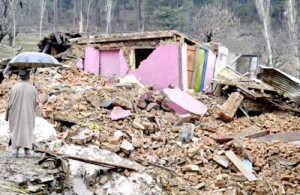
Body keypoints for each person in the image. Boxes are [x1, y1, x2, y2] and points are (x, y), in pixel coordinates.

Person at [5, 69, 38, 158]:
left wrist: (7, 115)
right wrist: (34, 90)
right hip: (28, 113)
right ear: (29, 77)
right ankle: (27, 151)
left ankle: (15, 150)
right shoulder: (33, 88)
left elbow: (9, 103)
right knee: (27, 129)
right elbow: (36, 103)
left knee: (16, 129)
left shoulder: (14, 87)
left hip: (15, 113)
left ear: (20, 77)